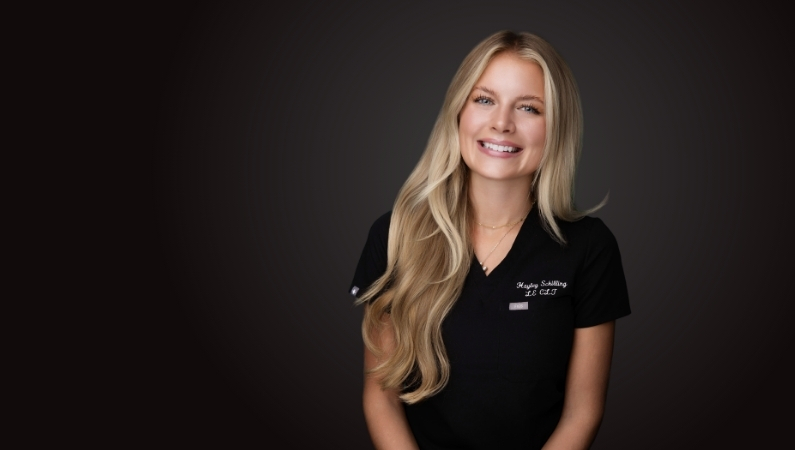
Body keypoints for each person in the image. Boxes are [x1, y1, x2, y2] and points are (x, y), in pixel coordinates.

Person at [348, 30, 631, 450]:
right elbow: (382, 396)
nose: (502, 122)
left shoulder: (590, 248)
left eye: (529, 108)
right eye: (485, 99)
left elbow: (582, 412)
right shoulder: (395, 236)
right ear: (458, 111)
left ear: (556, 127)